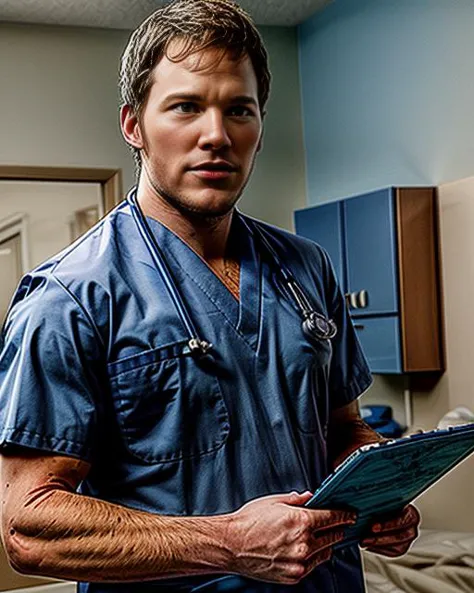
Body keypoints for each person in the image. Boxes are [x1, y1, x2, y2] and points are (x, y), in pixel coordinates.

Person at [0, 1, 420, 591]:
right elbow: (28, 525)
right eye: (186, 107)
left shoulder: (306, 266)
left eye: (238, 109)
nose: (216, 135)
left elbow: (344, 429)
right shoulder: (69, 298)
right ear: (134, 125)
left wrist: (381, 494)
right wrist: (228, 544)